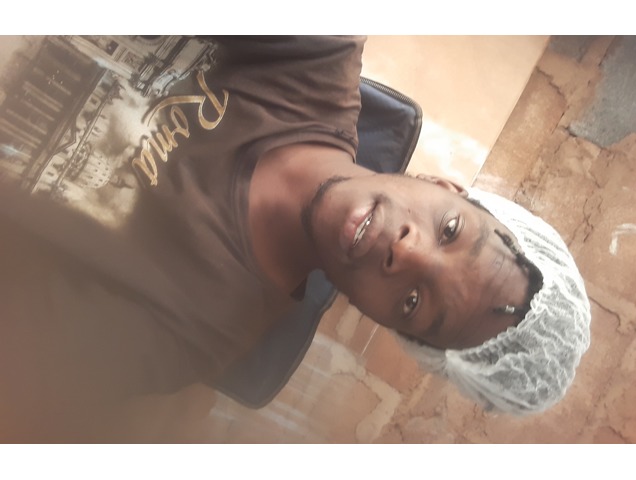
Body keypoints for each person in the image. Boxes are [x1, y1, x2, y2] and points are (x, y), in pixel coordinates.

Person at [0, 35, 590, 441]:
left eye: (413, 302)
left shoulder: (186, 329)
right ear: (445, 186)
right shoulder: (317, 52)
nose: (406, 250)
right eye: (450, 230)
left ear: (390, 325)